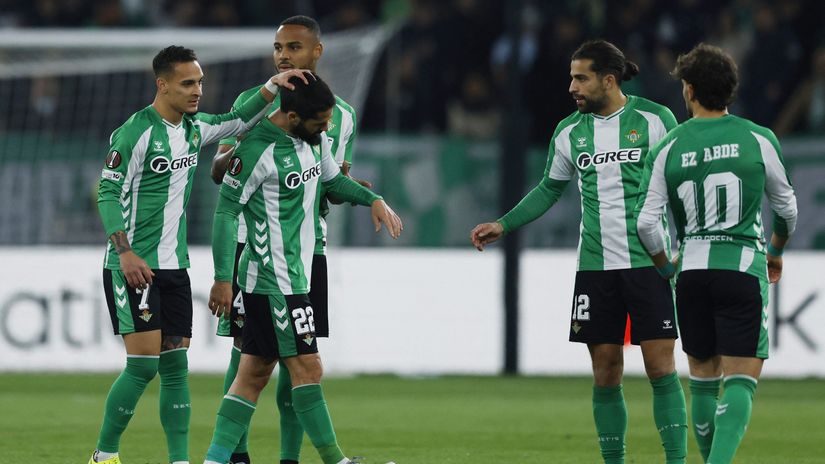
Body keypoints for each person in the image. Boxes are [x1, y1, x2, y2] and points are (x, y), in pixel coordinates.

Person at [470, 40, 687, 463]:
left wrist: (686, 243)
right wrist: (505, 223)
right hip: (595, 268)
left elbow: (678, 183)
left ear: (608, 79)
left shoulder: (655, 119)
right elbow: (550, 188)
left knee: (661, 369)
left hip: (649, 264)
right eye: (572, 77)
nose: (572, 86)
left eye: (581, 77)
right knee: (605, 373)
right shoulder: (570, 131)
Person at [91, 45, 309, 464]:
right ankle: (104, 454)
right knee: (142, 367)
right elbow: (107, 192)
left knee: (175, 366)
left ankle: (179, 461)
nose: (197, 91)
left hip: (176, 267)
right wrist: (124, 251)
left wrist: (270, 86)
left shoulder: (194, 129)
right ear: (163, 84)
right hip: (135, 266)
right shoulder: (135, 132)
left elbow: (238, 119)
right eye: (188, 83)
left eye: (200, 83)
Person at [204, 73, 402, 464]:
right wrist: (222, 279)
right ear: (291, 115)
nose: (327, 127)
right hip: (271, 278)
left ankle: (214, 459)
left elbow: (333, 181)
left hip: (296, 274)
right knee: (308, 367)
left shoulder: (315, 141)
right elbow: (225, 214)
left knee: (254, 374)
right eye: (320, 122)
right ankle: (336, 461)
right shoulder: (257, 149)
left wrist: (372, 198)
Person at [635, 43, 798, 464]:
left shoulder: (669, 146)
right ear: (730, 90)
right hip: (742, 267)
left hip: (690, 272)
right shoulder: (758, 138)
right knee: (741, 380)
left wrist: (665, 264)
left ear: (688, 90)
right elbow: (787, 208)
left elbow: (646, 224)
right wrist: (775, 250)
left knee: (703, 378)